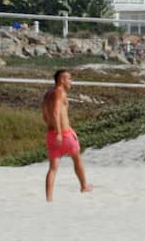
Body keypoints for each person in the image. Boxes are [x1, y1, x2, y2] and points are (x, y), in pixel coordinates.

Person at [42, 69, 92, 202]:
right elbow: (55, 113)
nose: (71, 81)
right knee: (77, 158)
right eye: (69, 78)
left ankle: (49, 198)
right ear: (61, 80)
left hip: (50, 135)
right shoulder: (60, 92)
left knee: (52, 169)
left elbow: (45, 115)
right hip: (63, 135)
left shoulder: (48, 94)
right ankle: (84, 185)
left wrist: (53, 130)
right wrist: (60, 132)